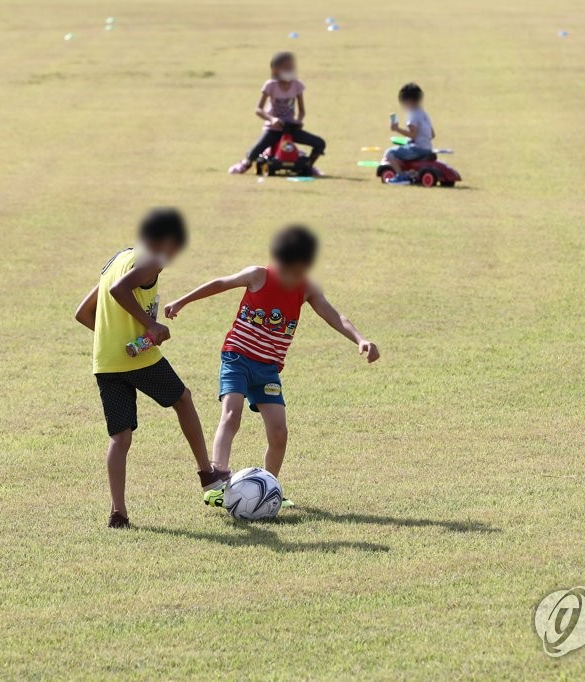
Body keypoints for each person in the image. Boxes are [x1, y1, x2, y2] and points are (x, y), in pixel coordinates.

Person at [164, 226, 380, 507]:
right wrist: (183, 301)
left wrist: (360, 339)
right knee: (231, 414)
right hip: (237, 357)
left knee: (279, 432)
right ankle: (217, 482)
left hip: (268, 369)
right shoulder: (258, 275)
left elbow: (335, 315)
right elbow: (220, 283)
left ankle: (269, 487)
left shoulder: (307, 288)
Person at [74, 209, 228, 528]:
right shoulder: (151, 261)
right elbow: (119, 291)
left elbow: (83, 313)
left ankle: (118, 513)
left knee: (120, 437)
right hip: (138, 360)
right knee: (183, 399)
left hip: (106, 361)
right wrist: (151, 325)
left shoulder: (117, 259)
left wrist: (115, 339)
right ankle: (207, 473)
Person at [229, 52, 326, 176]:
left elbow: (301, 110)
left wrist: (299, 121)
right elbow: (258, 110)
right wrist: (272, 119)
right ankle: (245, 164)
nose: (289, 70)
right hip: (273, 128)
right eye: (286, 67)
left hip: (290, 128)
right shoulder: (270, 85)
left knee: (319, 143)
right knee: (256, 150)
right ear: (275, 69)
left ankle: (309, 166)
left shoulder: (297, 85)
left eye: (291, 67)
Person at [385, 82, 436, 184]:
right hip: (428, 148)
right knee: (405, 146)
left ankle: (401, 176)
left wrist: (397, 129)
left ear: (408, 101)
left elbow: (413, 134)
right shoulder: (423, 113)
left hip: (418, 149)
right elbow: (432, 134)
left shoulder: (412, 114)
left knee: (389, 153)